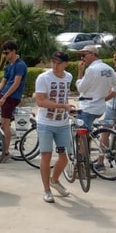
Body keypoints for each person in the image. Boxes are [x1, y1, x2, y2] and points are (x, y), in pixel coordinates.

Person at [34, 51, 74, 203]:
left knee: (64, 157)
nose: (55, 65)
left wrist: (66, 107)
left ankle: (54, 179)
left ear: (65, 64)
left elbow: (63, 95)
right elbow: (40, 101)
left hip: (62, 123)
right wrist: (62, 106)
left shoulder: (68, 77)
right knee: (46, 156)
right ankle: (47, 189)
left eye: (59, 63)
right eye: (53, 62)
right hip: (45, 123)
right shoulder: (44, 78)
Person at [75, 45, 116, 131]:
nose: (82, 58)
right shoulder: (108, 68)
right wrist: (103, 99)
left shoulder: (91, 69)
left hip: (88, 108)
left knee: (81, 136)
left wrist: (80, 72)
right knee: (88, 133)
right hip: (100, 108)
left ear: (92, 54)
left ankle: (84, 143)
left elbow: (80, 88)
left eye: (84, 55)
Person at [0, 40, 27, 161]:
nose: (5, 55)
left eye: (6, 53)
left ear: (14, 51)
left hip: (12, 97)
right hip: (4, 94)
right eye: (3, 53)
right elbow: (3, 82)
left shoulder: (20, 65)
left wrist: (4, 97)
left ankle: (6, 152)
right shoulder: (8, 66)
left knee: (5, 123)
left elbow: (16, 83)